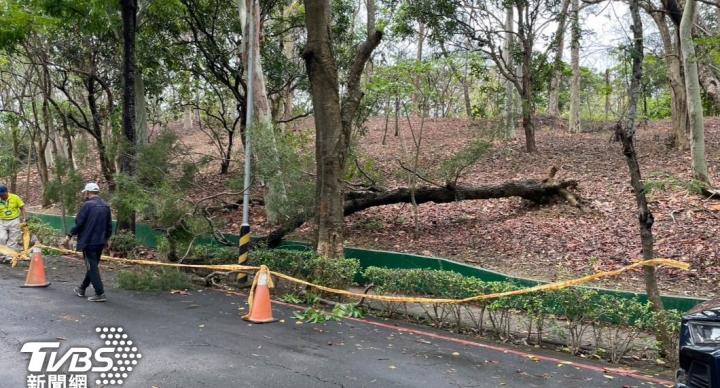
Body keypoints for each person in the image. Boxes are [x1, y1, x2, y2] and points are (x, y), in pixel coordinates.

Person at [64, 182, 113, 302]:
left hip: (89, 241)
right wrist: (106, 239)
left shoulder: (87, 206)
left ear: (88, 192)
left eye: (85, 192)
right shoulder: (106, 206)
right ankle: (82, 288)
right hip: (100, 242)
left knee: (92, 267)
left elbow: (79, 224)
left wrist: (69, 235)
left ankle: (100, 293)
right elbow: (109, 226)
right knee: (93, 266)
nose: (84, 194)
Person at [0, 185, 26, 264]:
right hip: (2, 220)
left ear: (7, 192)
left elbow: (22, 208)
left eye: (2, 194)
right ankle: (2, 255)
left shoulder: (15, 197)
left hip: (14, 220)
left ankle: (9, 257)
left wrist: (24, 218)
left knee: (13, 240)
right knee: (2, 238)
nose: (1, 196)